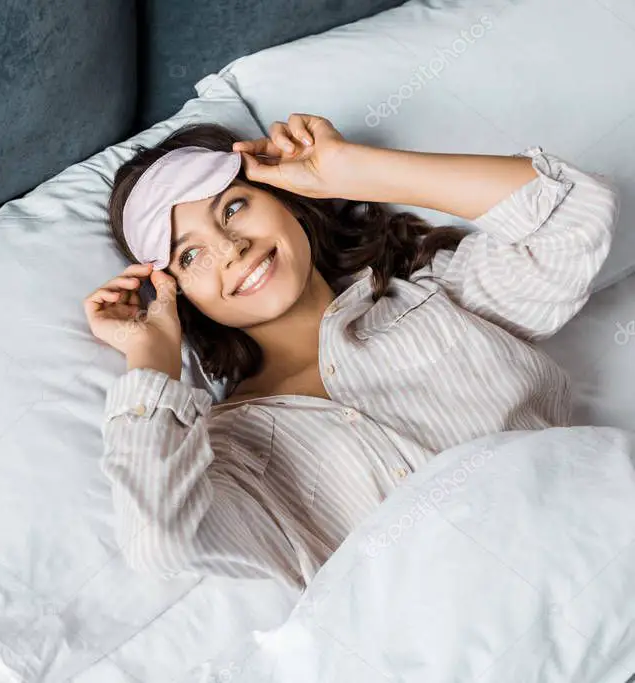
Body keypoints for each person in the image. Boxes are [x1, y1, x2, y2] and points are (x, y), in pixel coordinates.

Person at [82, 113, 619, 590]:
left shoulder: (438, 295)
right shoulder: (229, 450)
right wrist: (151, 360)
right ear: (177, 294)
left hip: (604, 551)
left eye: (235, 207)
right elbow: (158, 541)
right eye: (191, 254)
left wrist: (348, 169)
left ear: (285, 199)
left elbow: (577, 215)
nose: (231, 249)